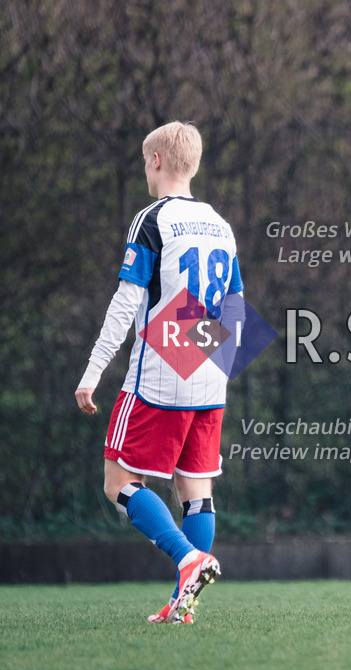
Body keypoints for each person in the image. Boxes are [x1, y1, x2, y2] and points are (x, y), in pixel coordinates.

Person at [75, 121, 236, 623]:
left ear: (157, 160)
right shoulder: (220, 223)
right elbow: (234, 308)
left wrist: (92, 371)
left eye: (146, 161)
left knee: (118, 481)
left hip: (161, 372)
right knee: (196, 489)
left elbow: (126, 303)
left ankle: (188, 559)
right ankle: (184, 603)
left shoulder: (152, 219)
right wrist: (210, 365)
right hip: (210, 368)